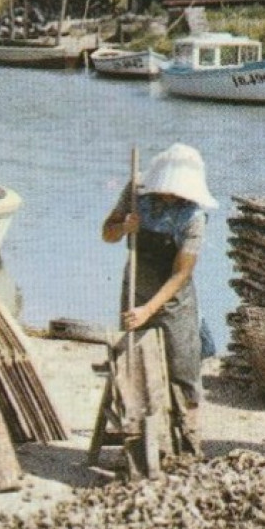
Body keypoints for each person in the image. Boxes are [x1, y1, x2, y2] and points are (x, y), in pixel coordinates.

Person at [101, 143, 214, 454]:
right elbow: (106, 233)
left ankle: (189, 439)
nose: (171, 198)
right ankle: (137, 436)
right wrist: (124, 227)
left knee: (182, 367)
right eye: (167, 191)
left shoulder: (193, 216)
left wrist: (148, 311)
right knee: (132, 361)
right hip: (137, 285)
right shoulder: (137, 191)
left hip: (173, 298)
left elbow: (181, 275)